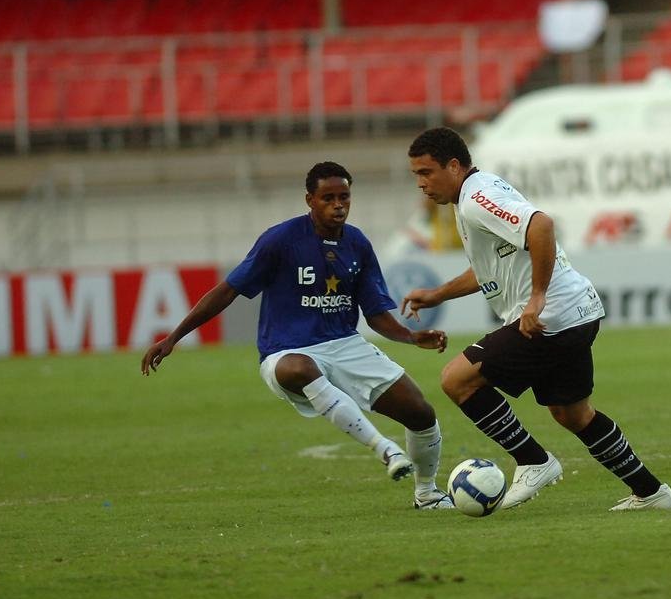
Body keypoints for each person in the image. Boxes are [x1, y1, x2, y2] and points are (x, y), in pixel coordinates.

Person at [141, 162, 454, 510]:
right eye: (328, 198)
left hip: (345, 344)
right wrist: (174, 337)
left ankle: (427, 495)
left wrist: (411, 337)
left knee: (420, 413)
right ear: (310, 200)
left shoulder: (357, 244)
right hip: (285, 350)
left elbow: (376, 314)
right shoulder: (281, 240)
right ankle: (385, 449)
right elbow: (227, 291)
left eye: (344, 197)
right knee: (301, 369)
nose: (338, 205)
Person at [401, 127, 671, 511]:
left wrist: (537, 298)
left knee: (457, 379)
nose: (421, 183)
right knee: (572, 413)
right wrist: (437, 294)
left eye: (426, 172)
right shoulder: (476, 194)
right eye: (416, 174)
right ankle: (651, 492)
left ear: (454, 166)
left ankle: (533, 461)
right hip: (576, 313)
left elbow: (541, 226)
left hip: (552, 317)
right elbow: (491, 268)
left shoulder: (476, 199)